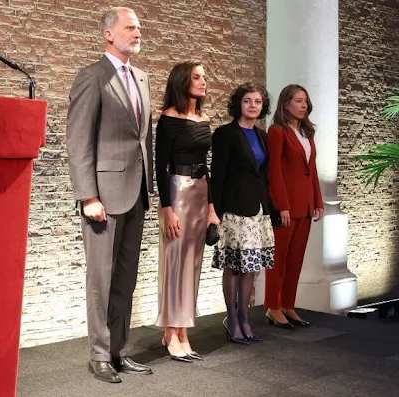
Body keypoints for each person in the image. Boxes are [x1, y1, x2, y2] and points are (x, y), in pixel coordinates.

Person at [66, 6, 154, 383]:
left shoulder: (142, 78)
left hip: (136, 194)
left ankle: (118, 351)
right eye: (130, 28)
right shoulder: (92, 77)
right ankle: (99, 355)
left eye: (139, 28)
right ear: (109, 34)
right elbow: (78, 140)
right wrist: (88, 195)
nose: (137, 33)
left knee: (125, 279)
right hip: (103, 197)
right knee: (101, 280)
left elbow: (142, 139)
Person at [155, 61, 220, 362]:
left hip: (200, 191)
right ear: (182, 81)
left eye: (204, 77)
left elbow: (208, 165)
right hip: (177, 191)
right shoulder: (168, 118)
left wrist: (211, 209)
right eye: (196, 77)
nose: (203, 82)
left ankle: (184, 331)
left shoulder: (204, 118)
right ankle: (170, 330)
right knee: (175, 261)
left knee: (193, 263)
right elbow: (160, 165)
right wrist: (167, 207)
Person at [210, 83, 275, 344]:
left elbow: (264, 177)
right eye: (248, 101)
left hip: (258, 210)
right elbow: (218, 174)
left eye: (258, 102)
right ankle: (232, 321)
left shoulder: (262, 136)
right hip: (234, 209)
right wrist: (214, 210)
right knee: (234, 267)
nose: (253, 106)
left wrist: (270, 206)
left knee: (251, 267)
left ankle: (245, 319)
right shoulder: (226, 134)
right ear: (238, 104)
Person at [265, 84, 324, 328]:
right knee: (278, 259)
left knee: (296, 259)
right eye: (298, 101)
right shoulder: (277, 132)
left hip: (306, 206)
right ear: (286, 103)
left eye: (305, 101)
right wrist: (281, 205)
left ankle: (288, 304)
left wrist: (318, 201)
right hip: (286, 207)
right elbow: (274, 171)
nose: (303, 105)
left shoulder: (307, 133)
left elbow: (313, 171)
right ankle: (273, 307)